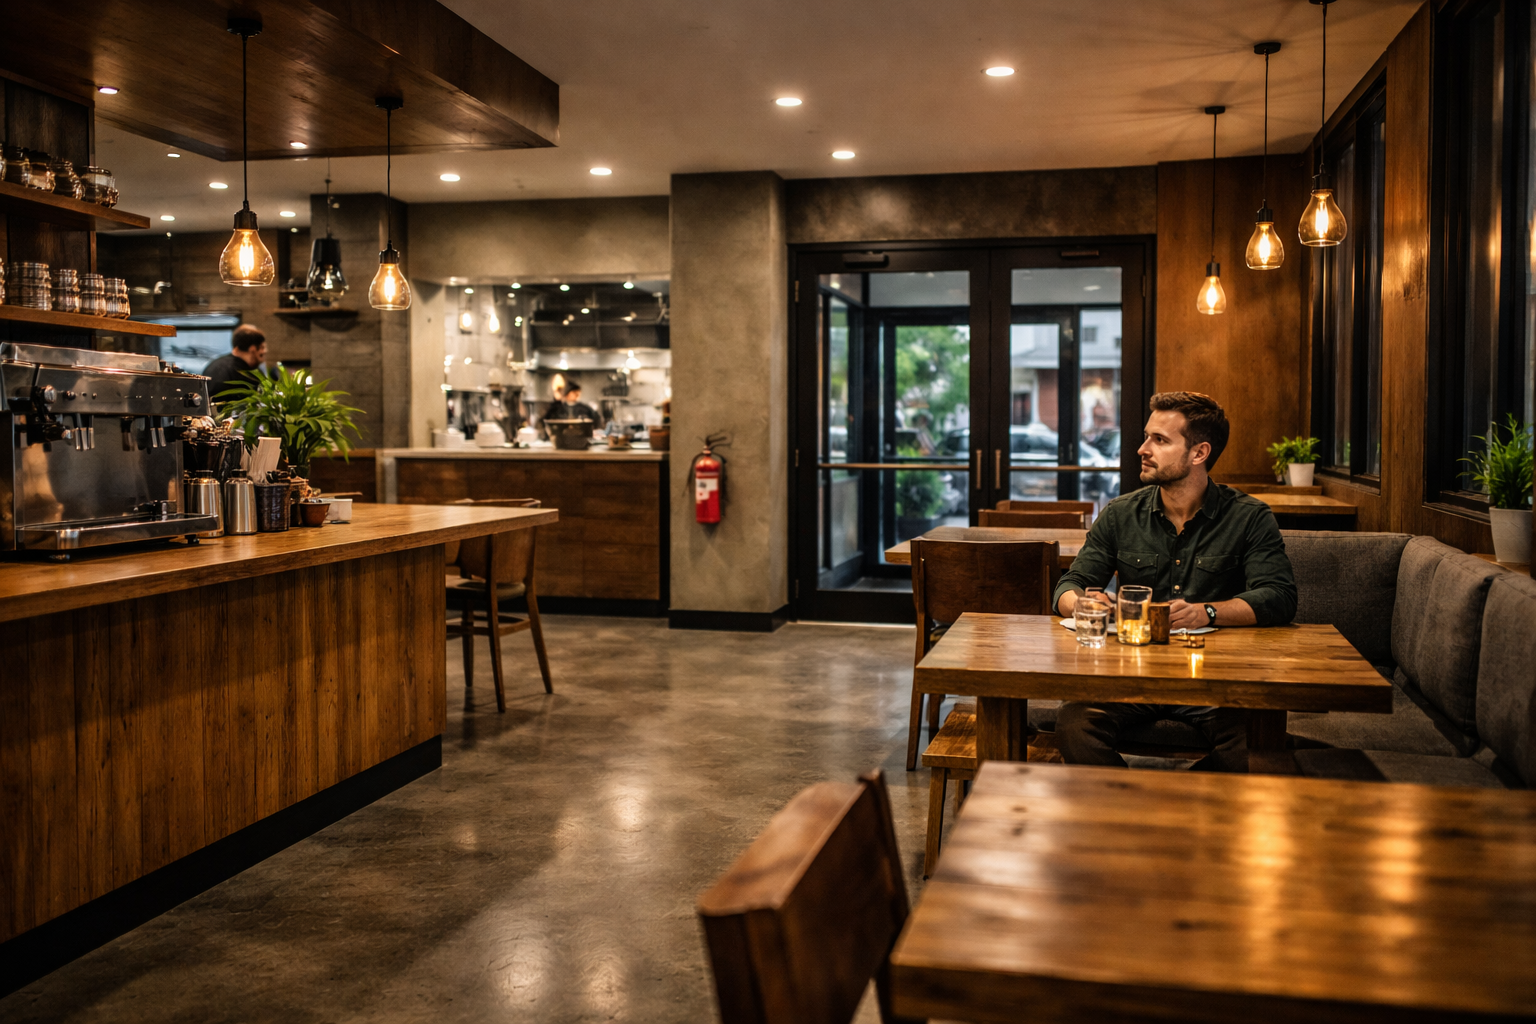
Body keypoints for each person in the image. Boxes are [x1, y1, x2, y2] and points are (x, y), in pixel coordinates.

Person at [1052, 391, 1297, 772]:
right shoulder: (1120, 514)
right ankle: (1137, 813)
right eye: (1147, 436)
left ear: (1199, 453)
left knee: (1256, 746)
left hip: (1216, 680)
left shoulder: (1249, 517)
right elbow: (1069, 586)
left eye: (1159, 440)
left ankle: (1177, 809)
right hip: (1132, 672)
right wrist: (1083, 603)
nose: (1142, 449)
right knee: (1074, 726)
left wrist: (1207, 612)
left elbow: (1279, 597)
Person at [202, 324, 269, 407]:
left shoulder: (217, 365)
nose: (265, 351)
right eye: (262, 347)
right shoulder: (221, 370)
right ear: (253, 349)